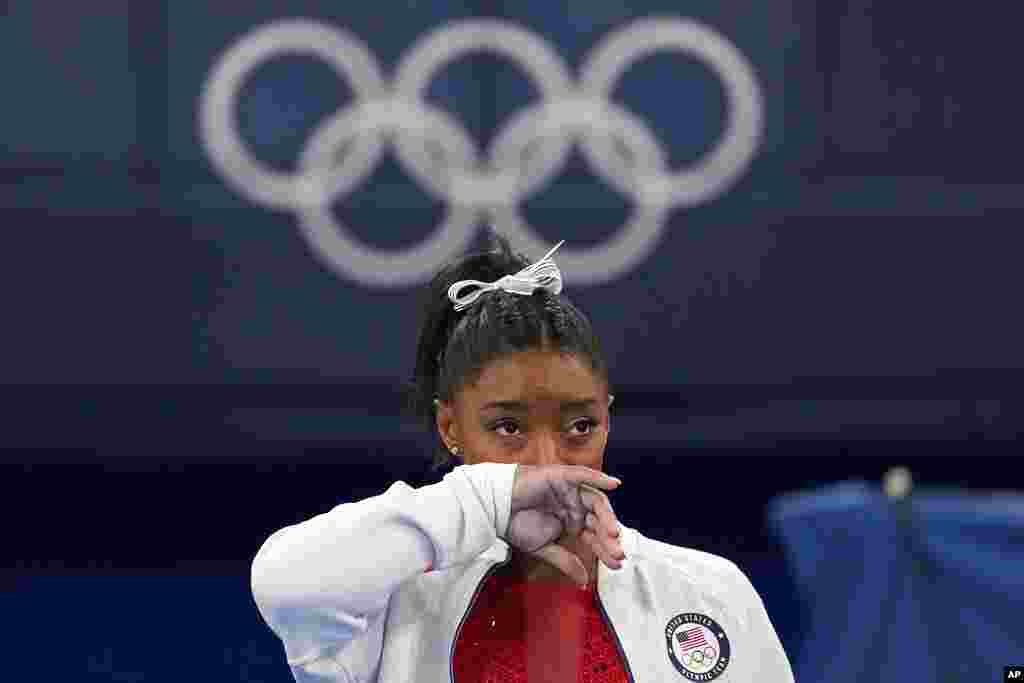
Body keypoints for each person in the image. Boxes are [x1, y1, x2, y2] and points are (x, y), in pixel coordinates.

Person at [250, 231, 794, 682]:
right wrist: (487, 497)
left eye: (580, 426)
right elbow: (283, 582)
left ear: (609, 418)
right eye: (508, 427)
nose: (548, 461)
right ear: (450, 427)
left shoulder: (710, 591)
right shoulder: (395, 600)